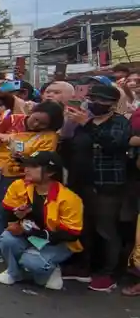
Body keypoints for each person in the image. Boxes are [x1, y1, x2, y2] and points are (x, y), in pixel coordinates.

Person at [0, 100, 63, 264]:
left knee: (21, 217)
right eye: (35, 118)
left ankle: (20, 253)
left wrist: (25, 160)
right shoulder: (12, 119)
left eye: (43, 124)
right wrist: (4, 138)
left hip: (24, 180)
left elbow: (44, 160)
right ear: (33, 111)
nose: (36, 124)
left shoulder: (49, 136)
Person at [61, 84, 132, 292]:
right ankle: (85, 267)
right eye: (93, 98)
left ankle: (109, 273)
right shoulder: (85, 121)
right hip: (82, 183)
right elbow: (69, 143)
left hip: (107, 185)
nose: (95, 103)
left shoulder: (119, 122)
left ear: (111, 104)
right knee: (85, 227)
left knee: (106, 229)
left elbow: (114, 144)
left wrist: (89, 125)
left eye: (101, 100)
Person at [0, 151, 83, 290]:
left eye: (34, 166)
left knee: (31, 261)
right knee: (7, 238)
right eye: (27, 164)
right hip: (32, 236)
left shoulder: (69, 198)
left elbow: (71, 234)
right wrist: (16, 219)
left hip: (58, 243)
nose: (27, 169)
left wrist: (33, 233)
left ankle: (50, 269)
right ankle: (14, 272)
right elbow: (7, 214)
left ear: (50, 172)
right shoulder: (19, 186)